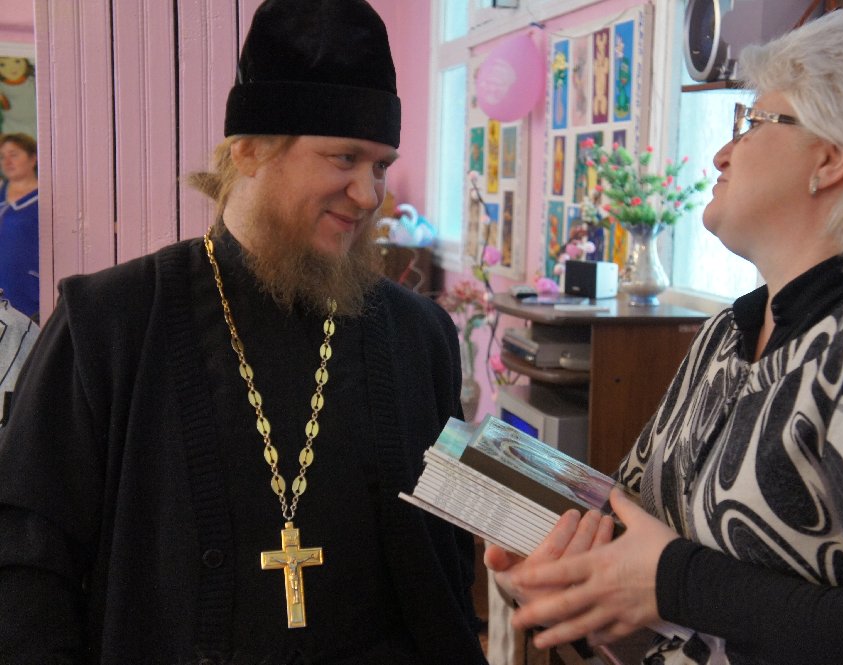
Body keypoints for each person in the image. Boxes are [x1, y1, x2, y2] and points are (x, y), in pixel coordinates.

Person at [487, 8, 843, 665]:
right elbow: (645, 562)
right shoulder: (728, 334)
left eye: (754, 122)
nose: (722, 152)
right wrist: (572, 583)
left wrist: (671, 581)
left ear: (832, 157)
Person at [0, 1, 487, 663]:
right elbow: (26, 562)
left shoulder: (420, 334)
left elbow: (450, 554)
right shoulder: (107, 324)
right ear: (250, 149)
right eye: (345, 157)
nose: (369, 194)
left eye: (380, 165)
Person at [0, 132, 40, 320]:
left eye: (14, 155)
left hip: (27, 289)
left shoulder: (46, 197)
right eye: (2, 157)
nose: (7, 161)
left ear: (33, 158)